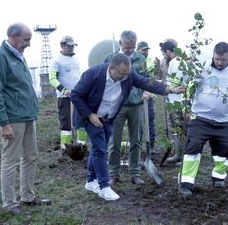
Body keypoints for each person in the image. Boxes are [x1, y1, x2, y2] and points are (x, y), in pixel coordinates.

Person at [71, 53, 185, 201]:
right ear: (112, 68)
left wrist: (170, 89)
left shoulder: (128, 74)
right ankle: (104, 186)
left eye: (127, 74)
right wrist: (90, 115)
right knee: (99, 149)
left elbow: (146, 82)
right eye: (122, 74)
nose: (126, 78)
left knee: (99, 148)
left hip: (108, 118)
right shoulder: (93, 74)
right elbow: (75, 95)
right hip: (91, 116)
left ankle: (90, 180)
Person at [0, 22, 51, 215]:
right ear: (13, 36)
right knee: (10, 160)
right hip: (13, 118)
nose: (29, 44)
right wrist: (4, 123)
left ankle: (28, 196)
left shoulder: (18, 55)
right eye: (26, 40)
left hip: (28, 115)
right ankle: (9, 203)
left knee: (30, 157)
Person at [179, 42, 228, 196]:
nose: (219, 63)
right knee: (192, 147)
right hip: (199, 117)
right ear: (213, 55)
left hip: (223, 121)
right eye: (217, 59)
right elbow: (189, 89)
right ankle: (186, 183)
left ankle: (218, 177)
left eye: (223, 60)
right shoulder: (202, 68)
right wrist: (185, 109)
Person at [104, 31, 147, 185]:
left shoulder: (141, 59)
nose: (130, 50)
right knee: (114, 141)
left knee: (136, 140)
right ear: (121, 44)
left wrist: (146, 91)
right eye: (127, 47)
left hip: (136, 105)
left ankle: (135, 173)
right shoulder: (111, 59)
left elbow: (145, 78)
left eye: (133, 47)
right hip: (117, 106)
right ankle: (113, 174)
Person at [49, 35, 87, 153]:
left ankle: (82, 147)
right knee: (66, 124)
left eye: (73, 46)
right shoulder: (57, 60)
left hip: (78, 96)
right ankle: (66, 148)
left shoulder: (76, 59)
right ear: (62, 46)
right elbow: (52, 79)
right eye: (69, 46)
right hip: (65, 97)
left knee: (81, 122)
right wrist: (64, 90)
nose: (71, 48)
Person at [160, 39, 185, 164]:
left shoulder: (175, 62)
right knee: (180, 128)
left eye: (164, 53)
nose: (164, 56)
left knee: (178, 128)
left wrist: (167, 89)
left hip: (176, 101)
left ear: (168, 51)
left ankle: (181, 156)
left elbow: (175, 83)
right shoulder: (184, 61)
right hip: (182, 101)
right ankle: (179, 154)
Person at [137, 41, 158, 155]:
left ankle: (152, 145)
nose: (145, 52)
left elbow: (152, 79)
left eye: (147, 50)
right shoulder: (134, 61)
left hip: (148, 95)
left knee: (150, 119)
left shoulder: (150, 61)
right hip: (136, 96)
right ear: (138, 50)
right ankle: (138, 145)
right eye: (143, 50)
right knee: (138, 121)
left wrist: (149, 91)